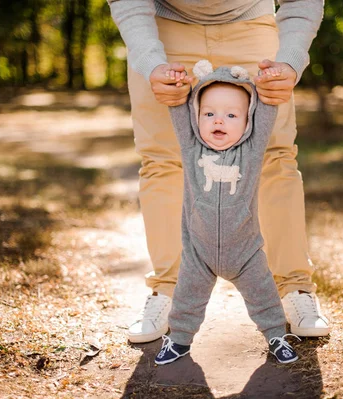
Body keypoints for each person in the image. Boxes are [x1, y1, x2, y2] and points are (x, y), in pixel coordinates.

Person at [106, 0, 330, 344]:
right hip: (164, 30)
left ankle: (295, 288)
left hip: (252, 26)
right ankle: (168, 291)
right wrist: (151, 62)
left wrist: (290, 60)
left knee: (274, 157)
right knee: (162, 161)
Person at [155, 61, 300, 365]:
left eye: (231, 115)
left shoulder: (251, 150)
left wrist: (266, 83)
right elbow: (178, 108)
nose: (218, 120)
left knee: (264, 295)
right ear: (196, 117)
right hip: (199, 251)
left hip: (245, 252)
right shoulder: (192, 147)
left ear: (248, 121)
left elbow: (267, 110)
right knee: (187, 298)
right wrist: (178, 85)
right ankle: (179, 339)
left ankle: (276, 335)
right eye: (209, 113)